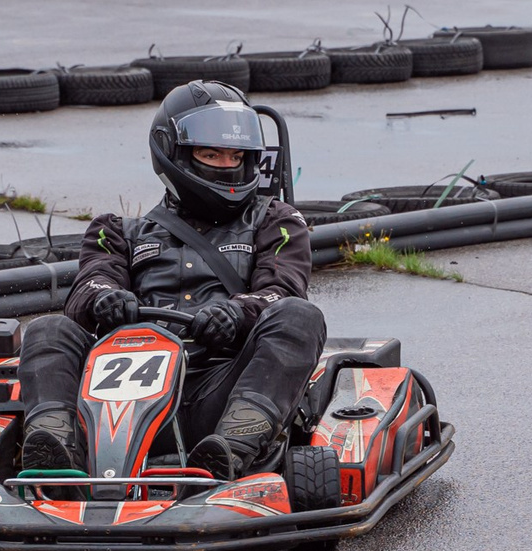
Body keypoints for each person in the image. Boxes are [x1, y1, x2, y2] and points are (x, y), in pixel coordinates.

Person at [18, 81, 325, 481]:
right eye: (211, 154)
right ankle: (57, 459)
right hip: (116, 402)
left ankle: (232, 451)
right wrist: (106, 299)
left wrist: (237, 313)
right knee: (47, 330)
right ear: (173, 152)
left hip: (219, 392)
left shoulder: (276, 221)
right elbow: (90, 285)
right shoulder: (118, 231)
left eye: (235, 156)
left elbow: (282, 290)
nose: (226, 165)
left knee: (299, 316)